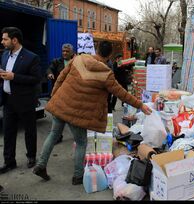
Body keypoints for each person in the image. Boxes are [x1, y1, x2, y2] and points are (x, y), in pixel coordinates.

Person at [32, 41, 152, 185]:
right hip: (78, 113)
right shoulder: (106, 74)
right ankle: (77, 176)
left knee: (53, 135)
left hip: (60, 104)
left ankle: (41, 164)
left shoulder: (78, 59)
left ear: (96, 49)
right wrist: (141, 105)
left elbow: (60, 78)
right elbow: (122, 93)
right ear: (109, 56)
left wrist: (54, 97)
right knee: (81, 142)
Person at [0, 27, 42, 174]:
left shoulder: (32, 57)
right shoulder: (5, 55)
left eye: (5, 39)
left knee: (29, 131)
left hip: (25, 101)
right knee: (8, 132)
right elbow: (5, 74)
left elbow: (36, 79)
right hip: (8, 100)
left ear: (14, 40)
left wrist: (14, 77)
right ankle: (9, 161)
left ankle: (31, 156)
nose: (2, 42)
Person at [46, 43, 75, 144]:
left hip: (72, 93)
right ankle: (58, 135)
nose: (65, 53)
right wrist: (50, 73)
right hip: (59, 93)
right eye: (63, 51)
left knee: (72, 115)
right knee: (57, 115)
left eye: (67, 51)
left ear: (72, 52)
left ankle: (77, 135)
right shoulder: (56, 61)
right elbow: (49, 68)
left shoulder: (76, 61)